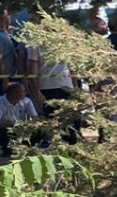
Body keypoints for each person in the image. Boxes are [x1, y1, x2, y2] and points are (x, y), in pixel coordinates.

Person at [25, 11, 78, 145]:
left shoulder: (62, 40)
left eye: (34, 20)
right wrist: (36, 91)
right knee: (56, 123)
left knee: (68, 123)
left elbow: (72, 66)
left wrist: (76, 87)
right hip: (49, 87)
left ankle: (70, 152)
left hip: (62, 86)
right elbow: (33, 70)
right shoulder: (35, 42)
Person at [0, 82, 38, 159]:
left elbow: (35, 117)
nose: (25, 93)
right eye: (23, 91)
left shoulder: (27, 101)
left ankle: (28, 148)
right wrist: (15, 124)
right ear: (13, 93)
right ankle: (7, 151)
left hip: (23, 128)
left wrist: (32, 124)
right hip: (6, 129)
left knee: (39, 130)